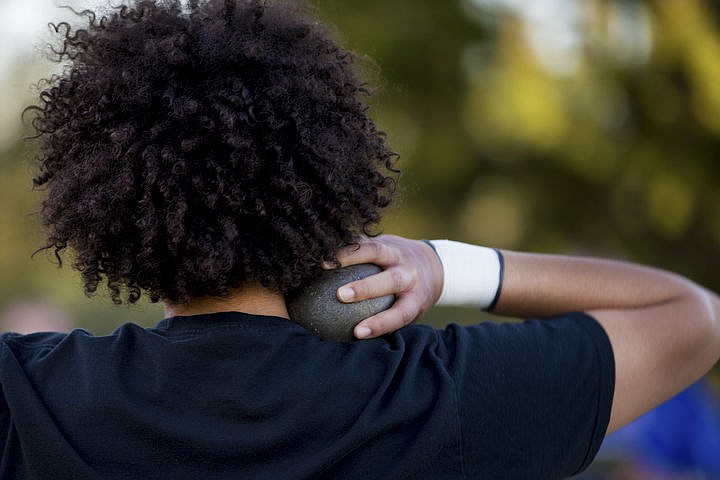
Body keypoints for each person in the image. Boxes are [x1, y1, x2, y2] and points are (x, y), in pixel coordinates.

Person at [1, 0, 718, 478]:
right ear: (324, 188)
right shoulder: (435, 394)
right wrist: (448, 268)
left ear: (106, 198)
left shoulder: (27, 394)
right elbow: (691, 318)